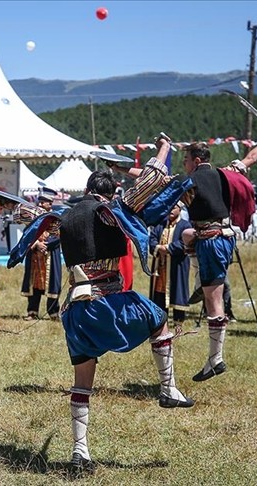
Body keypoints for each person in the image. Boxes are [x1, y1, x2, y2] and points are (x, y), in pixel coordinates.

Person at [52, 168, 194, 472]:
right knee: (158, 317)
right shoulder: (109, 210)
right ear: (111, 192)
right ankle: (168, 388)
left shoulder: (65, 217)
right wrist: (164, 153)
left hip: (74, 313)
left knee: (81, 384)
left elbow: (30, 220)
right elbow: (147, 185)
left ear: (87, 189)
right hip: (105, 302)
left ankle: (80, 451)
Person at [180, 123, 257, 382]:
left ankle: (215, 359)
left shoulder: (189, 181)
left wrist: (124, 169)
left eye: (186, 159)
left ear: (197, 160)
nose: (184, 164)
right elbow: (252, 157)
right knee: (186, 235)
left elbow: (154, 181)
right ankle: (197, 280)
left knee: (213, 302)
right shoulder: (226, 173)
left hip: (212, 239)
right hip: (221, 238)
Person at [17, 189, 62, 320]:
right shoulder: (33, 218)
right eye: (40, 202)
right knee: (34, 283)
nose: (41, 205)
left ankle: (53, 312)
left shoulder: (56, 218)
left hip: (50, 255)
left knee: (52, 283)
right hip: (35, 256)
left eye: (44, 203)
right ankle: (32, 311)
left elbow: (58, 236)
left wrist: (46, 245)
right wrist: (36, 244)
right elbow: (27, 234)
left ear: (50, 204)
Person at [149, 202, 192, 324]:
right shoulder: (160, 224)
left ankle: (178, 322)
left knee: (177, 291)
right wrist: (158, 248)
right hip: (160, 266)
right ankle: (161, 320)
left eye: (174, 207)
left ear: (180, 209)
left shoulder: (185, 225)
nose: (170, 210)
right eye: (169, 207)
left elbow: (185, 243)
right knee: (159, 292)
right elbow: (152, 239)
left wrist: (167, 248)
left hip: (176, 266)